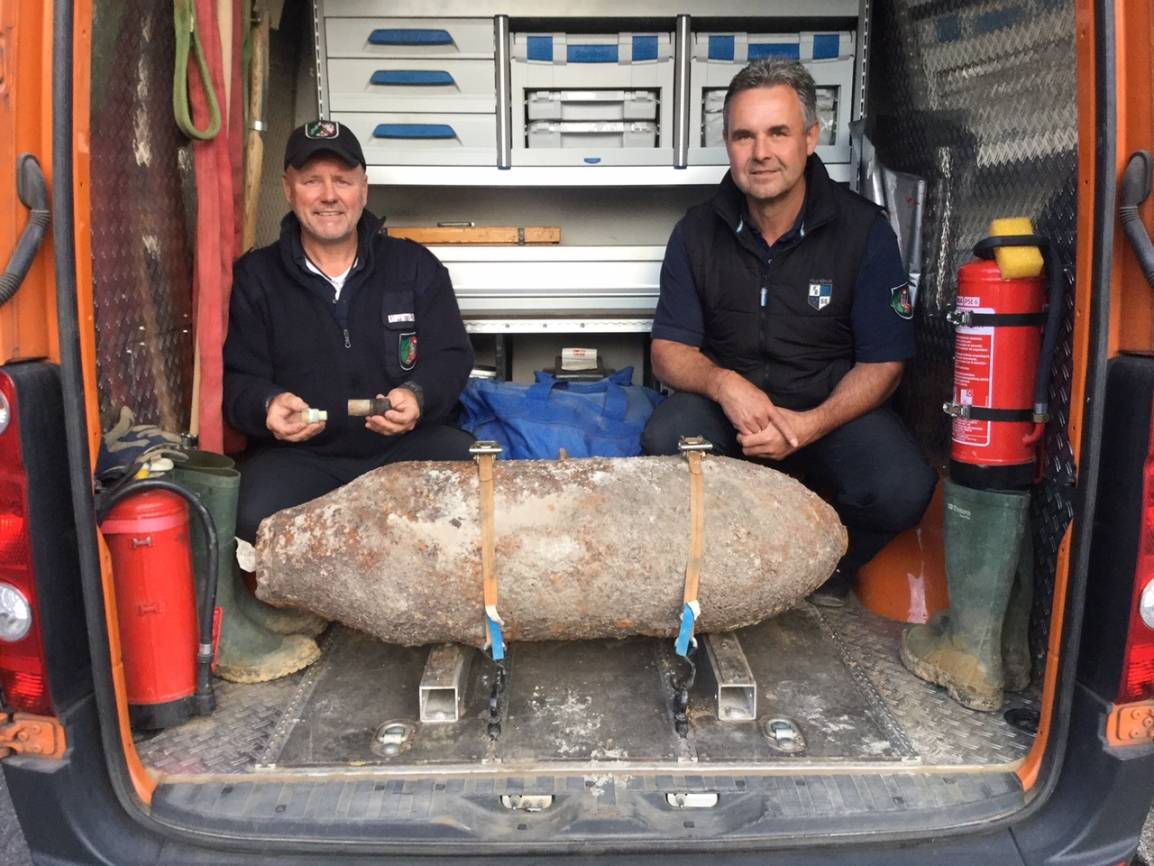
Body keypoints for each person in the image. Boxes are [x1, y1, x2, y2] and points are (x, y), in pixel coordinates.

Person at [641, 59, 936, 607]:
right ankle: (727, 577)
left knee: (903, 487)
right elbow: (668, 352)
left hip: (827, 408)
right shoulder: (696, 232)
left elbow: (885, 363)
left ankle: (824, 572)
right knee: (666, 440)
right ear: (728, 144)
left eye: (778, 132)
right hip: (733, 412)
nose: (761, 153)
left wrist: (807, 425)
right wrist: (726, 385)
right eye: (744, 135)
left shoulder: (863, 231)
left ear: (810, 137)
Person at [212, 119, 475, 680]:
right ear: (288, 188)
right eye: (312, 180)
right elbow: (232, 381)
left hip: (403, 447)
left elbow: (453, 356)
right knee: (251, 515)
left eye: (342, 179)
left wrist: (416, 395)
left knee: (474, 482)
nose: (329, 195)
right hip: (306, 456)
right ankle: (314, 610)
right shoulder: (255, 279)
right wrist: (266, 405)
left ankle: (429, 608)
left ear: (364, 188)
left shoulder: (416, 267)